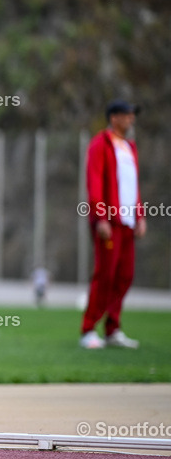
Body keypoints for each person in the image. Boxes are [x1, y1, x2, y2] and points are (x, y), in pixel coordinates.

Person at [80, 99, 145, 349]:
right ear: (114, 117)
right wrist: (100, 217)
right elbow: (94, 183)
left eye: (132, 115)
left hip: (128, 223)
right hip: (109, 222)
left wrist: (140, 216)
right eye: (127, 115)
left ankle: (113, 328)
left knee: (124, 275)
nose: (131, 119)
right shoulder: (101, 144)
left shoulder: (130, 147)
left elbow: (133, 186)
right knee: (105, 275)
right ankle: (88, 329)